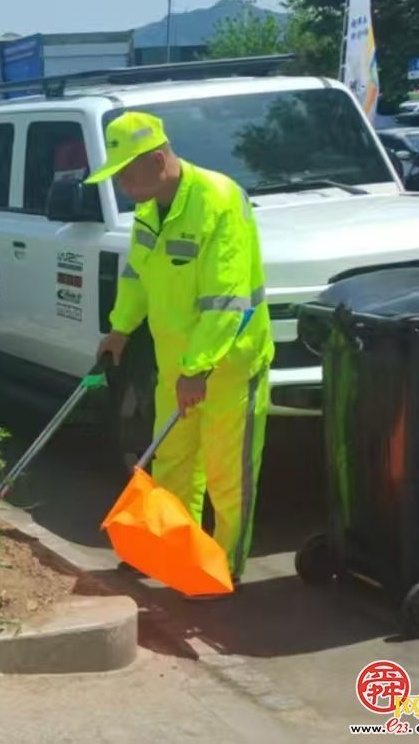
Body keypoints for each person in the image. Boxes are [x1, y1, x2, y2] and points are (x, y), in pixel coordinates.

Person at [93, 112, 273, 592]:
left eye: (127, 174)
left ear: (158, 160)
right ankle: (174, 556)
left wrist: (199, 368)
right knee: (173, 464)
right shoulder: (149, 209)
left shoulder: (219, 201)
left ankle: (221, 569)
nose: (123, 186)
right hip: (176, 363)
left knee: (226, 475)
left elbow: (227, 299)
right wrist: (120, 329)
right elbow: (137, 275)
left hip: (228, 366)